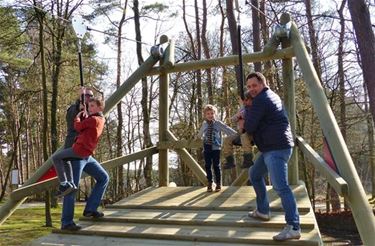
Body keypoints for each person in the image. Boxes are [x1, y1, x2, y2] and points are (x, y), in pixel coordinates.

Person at [244, 72, 300, 241]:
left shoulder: (261, 99)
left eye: (254, 85)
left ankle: (294, 227)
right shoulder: (271, 95)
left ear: (263, 84)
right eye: (249, 87)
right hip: (272, 147)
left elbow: (250, 126)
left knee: (281, 187)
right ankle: (263, 211)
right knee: (254, 174)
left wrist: (244, 115)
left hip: (276, 148)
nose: (251, 89)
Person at [59, 88, 109, 231]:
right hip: (74, 153)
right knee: (72, 188)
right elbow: (72, 122)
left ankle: (90, 209)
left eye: (91, 96)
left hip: (86, 155)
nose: (88, 98)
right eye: (85, 96)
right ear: (81, 97)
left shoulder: (92, 114)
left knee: (103, 177)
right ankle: (67, 222)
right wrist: (78, 109)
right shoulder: (73, 110)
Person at [198, 104, 236, 192]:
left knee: (216, 166)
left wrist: (236, 135)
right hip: (206, 147)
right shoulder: (204, 124)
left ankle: (218, 184)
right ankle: (210, 183)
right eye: (208, 114)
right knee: (207, 166)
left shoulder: (218, 123)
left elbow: (227, 129)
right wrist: (197, 138)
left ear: (215, 114)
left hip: (216, 148)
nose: (210, 115)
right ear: (205, 115)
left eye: (212, 113)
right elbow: (200, 134)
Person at [222, 90, 254, 169]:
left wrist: (242, 115)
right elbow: (233, 118)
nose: (244, 102)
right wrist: (238, 116)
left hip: (250, 133)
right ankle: (230, 161)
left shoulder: (253, 109)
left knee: (244, 138)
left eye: (247, 100)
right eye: (244, 100)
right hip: (240, 132)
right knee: (227, 140)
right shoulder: (243, 108)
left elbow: (247, 115)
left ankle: (248, 160)